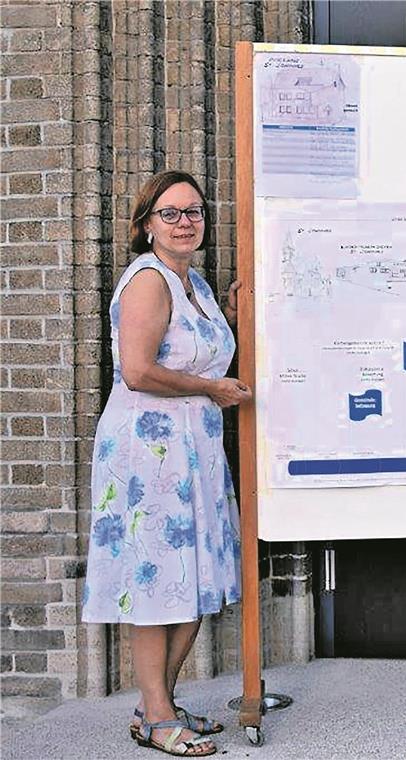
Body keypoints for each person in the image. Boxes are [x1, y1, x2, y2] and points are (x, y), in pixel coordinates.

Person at [82, 170, 251, 757]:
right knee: (156, 581)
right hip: (148, 453)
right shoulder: (149, 281)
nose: (185, 222)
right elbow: (137, 371)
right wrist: (212, 390)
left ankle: (158, 706)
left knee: (192, 581)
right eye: (171, 213)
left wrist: (230, 311)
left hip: (192, 451)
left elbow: (206, 353)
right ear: (146, 224)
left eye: (194, 212)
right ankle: (156, 716)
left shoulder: (195, 284)